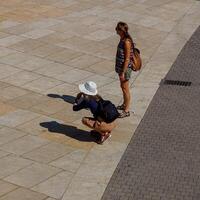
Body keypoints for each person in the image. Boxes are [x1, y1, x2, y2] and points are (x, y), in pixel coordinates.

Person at [115, 21, 134, 118]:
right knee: (123, 87)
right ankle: (124, 104)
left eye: (117, 29)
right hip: (121, 68)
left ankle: (126, 111)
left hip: (125, 69)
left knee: (125, 89)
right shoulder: (122, 38)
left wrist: (123, 72)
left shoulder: (126, 41)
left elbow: (127, 59)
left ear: (121, 30)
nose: (116, 30)